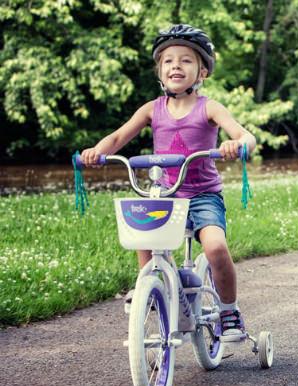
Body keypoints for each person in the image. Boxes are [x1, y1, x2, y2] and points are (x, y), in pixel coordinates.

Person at [80, 24, 256, 341]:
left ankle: (229, 311)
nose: (176, 66)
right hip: (166, 195)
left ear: (202, 71)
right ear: (159, 71)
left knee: (216, 247)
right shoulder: (152, 109)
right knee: (142, 228)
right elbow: (119, 136)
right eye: (169, 60)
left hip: (203, 195)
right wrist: (97, 152)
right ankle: (150, 283)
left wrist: (239, 144)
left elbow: (245, 135)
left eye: (186, 60)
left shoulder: (209, 107)